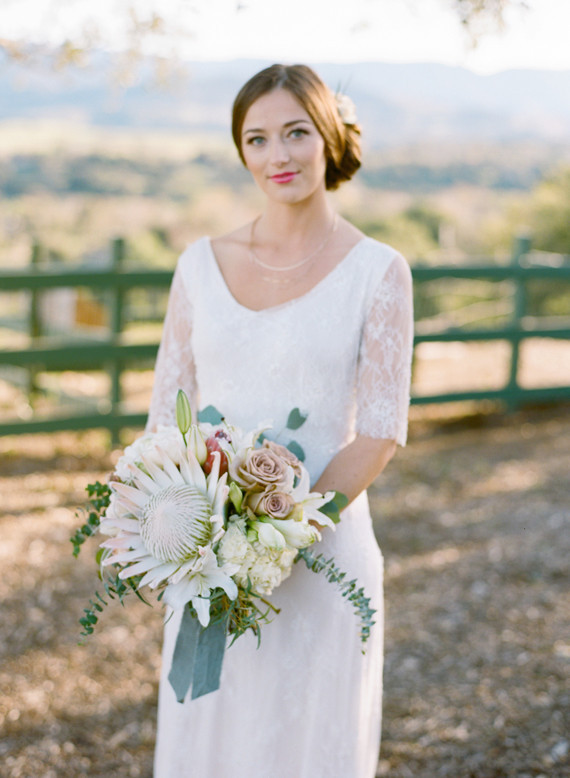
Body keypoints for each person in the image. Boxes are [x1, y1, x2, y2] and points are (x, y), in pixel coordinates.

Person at [146, 63, 414, 778]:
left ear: (327, 138)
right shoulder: (199, 265)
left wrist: (276, 541)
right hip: (206, 561)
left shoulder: (379, 271)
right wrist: (194, 534)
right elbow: (163, 420)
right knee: (211, 738)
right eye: (257, 139)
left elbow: (382, 430)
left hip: (324, 562)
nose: (278, 156)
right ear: (242, 152)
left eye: (295, 133)